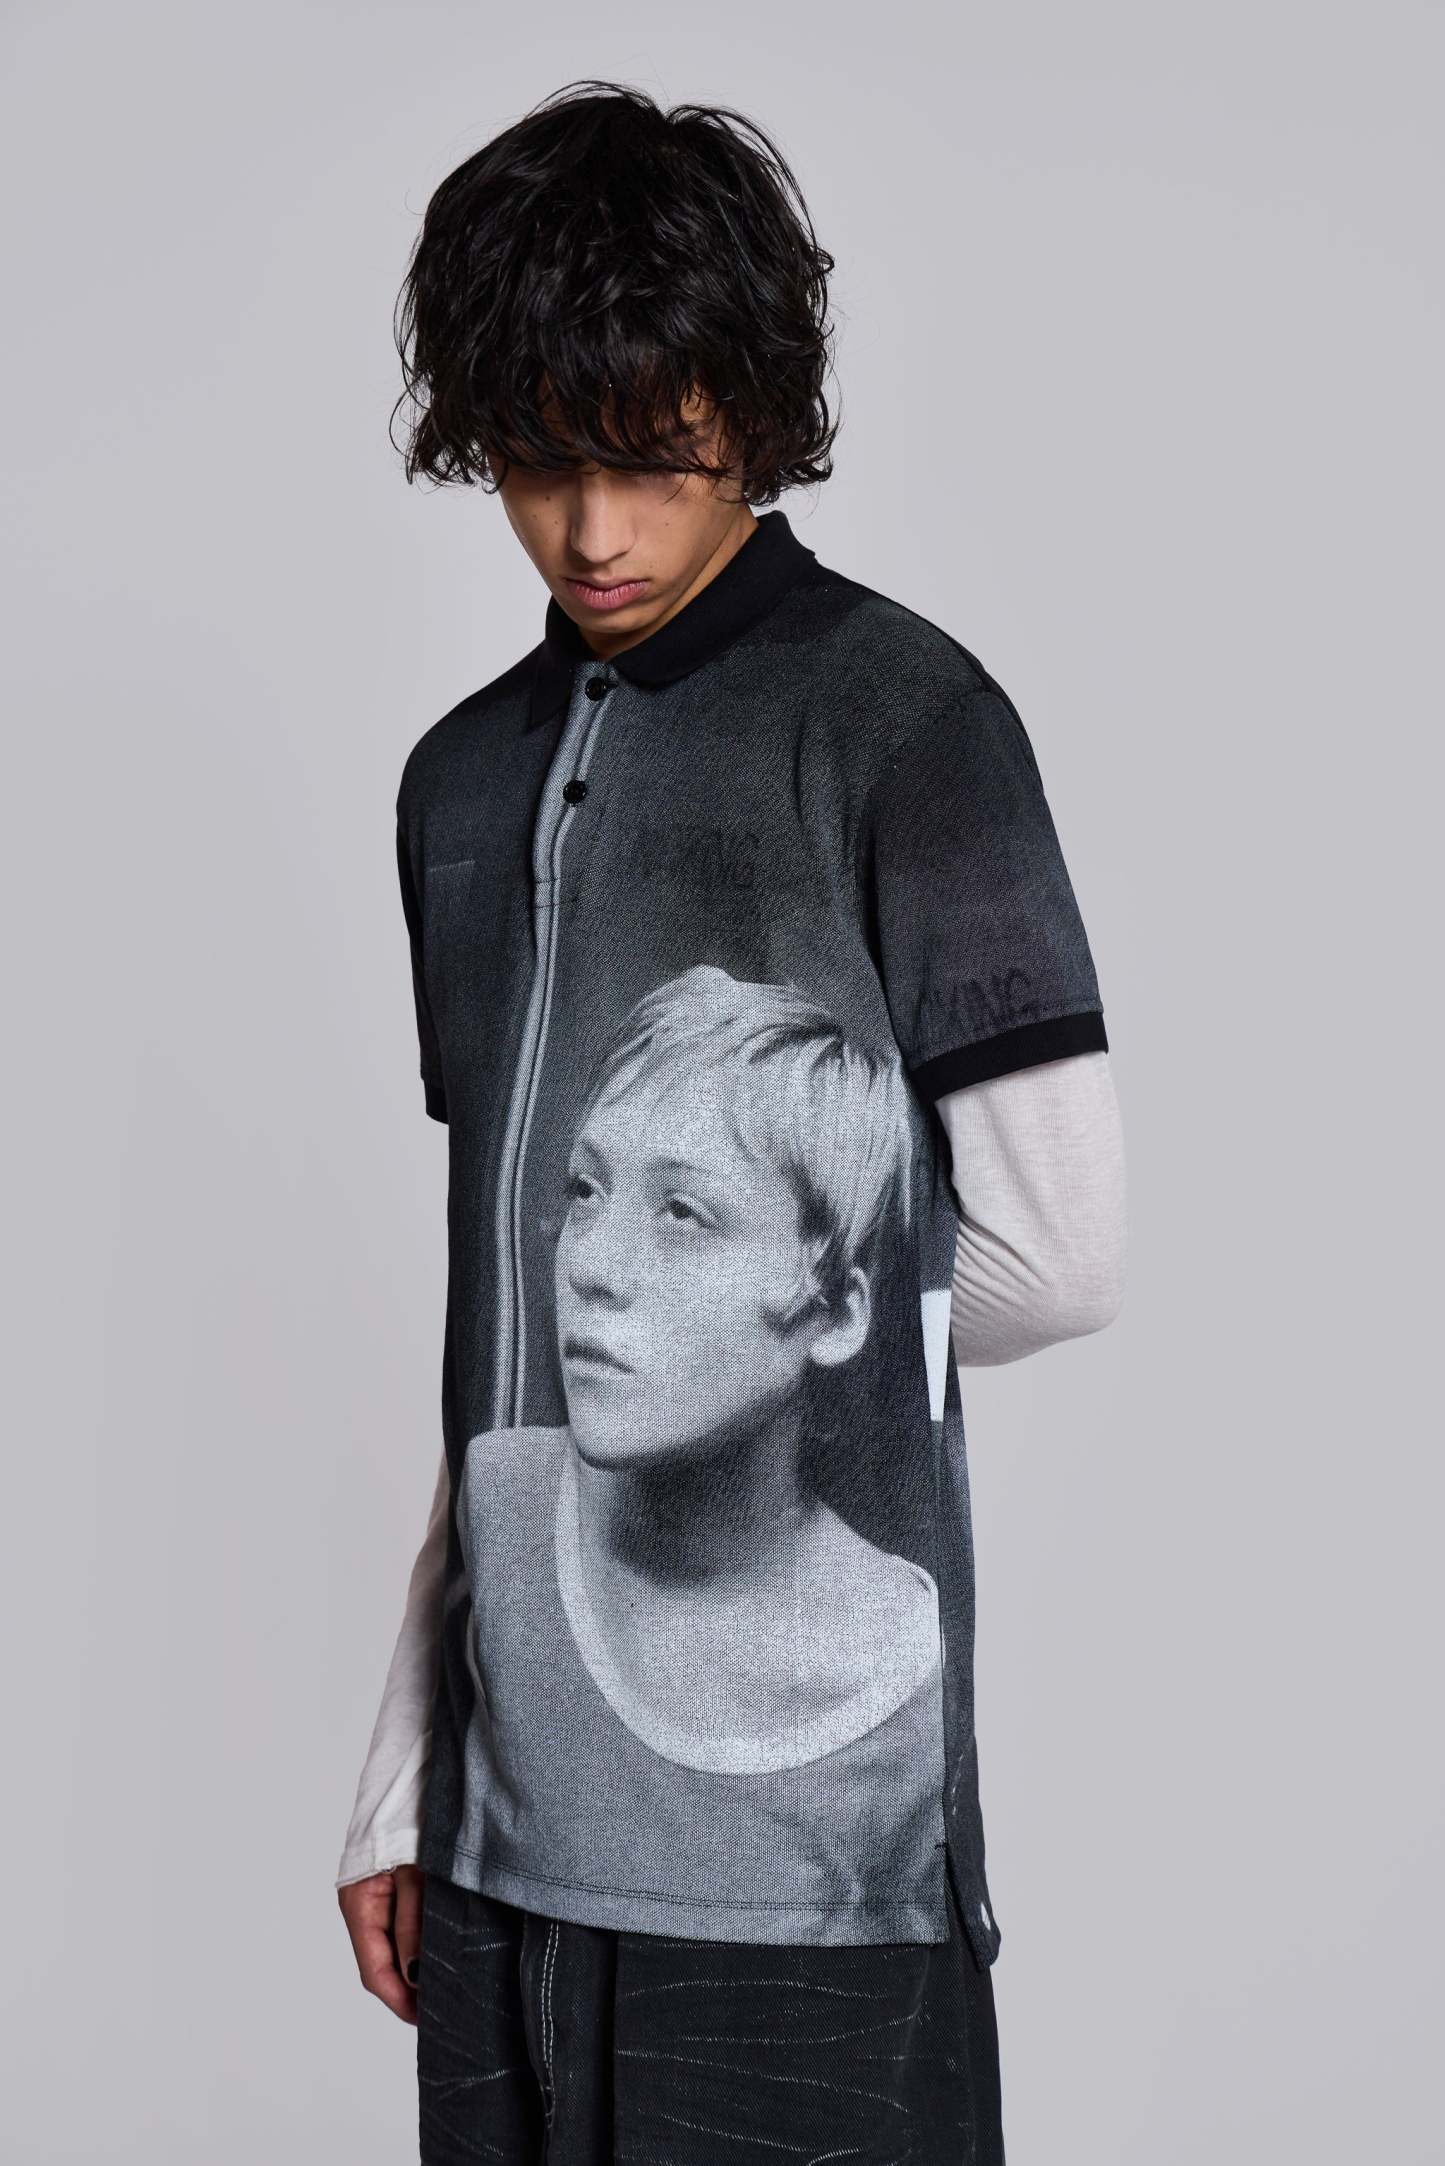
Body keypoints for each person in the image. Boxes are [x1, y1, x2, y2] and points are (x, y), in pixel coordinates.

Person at [336, 78, 1128, 2164]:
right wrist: (405, 1767)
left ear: (751, 422)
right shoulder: (456, 784)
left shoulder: (910, 724)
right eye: (539, 462)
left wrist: (777, 1321)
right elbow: (509, 1323)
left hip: (806, 1894)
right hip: (499, 1871)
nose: (592, 532)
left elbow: (1055, 1255)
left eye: (652, 457)